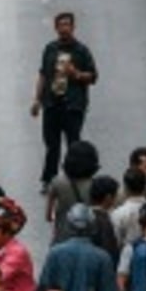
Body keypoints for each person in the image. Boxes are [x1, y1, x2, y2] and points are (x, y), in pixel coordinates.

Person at [33, 12, 98, 187]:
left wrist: (76, 74)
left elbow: (93, 77)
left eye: (67, 25)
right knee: (51, 145)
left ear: (73, 27)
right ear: (56, 28)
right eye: (61, 25)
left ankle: (75, 178)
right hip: (52, 104)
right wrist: (37, 100)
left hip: (73, 106)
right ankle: (49, 179)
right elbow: (43, 75)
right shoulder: (50, 49)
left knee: (73, 145)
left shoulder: (81, 51)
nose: (64, 28)